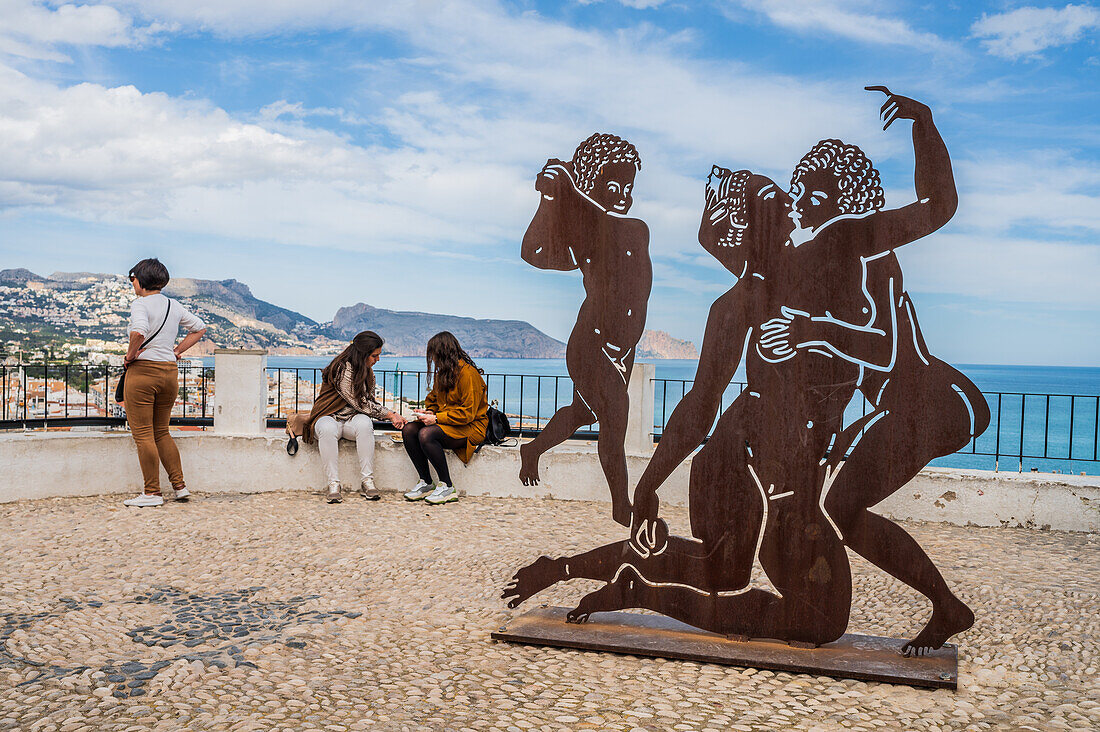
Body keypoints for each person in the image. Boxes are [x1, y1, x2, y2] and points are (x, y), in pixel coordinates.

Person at [762, 87, 990, 655]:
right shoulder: (825, 262)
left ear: (844, 201)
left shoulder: (861, 246)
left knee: (842, 507)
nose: (799, 201)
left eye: (814, 194)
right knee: (838, 505)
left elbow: (885, 348)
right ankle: (946, 606)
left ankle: (947, 607)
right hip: (911, 403)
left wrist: (925, 125)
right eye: (799, 189)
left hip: (928, 403)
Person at [518, 133, 651, 527]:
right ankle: (621, 507)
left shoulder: (635, 229)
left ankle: (533, 449)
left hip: (622, 351)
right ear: (591, 186)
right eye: (612, 188)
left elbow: (605, 223)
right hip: (591, 345)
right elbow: (534, 252)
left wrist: (567, 194)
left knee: (584, 412)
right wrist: (550, 201)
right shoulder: (585, 235)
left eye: (628, 187)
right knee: (615, 417)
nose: (623, 196)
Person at [121, 258, 206, 508]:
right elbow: (199, 329)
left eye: (132, 278)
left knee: (143, 434)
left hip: (143, 373)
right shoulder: (174, 305)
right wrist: (177, 351)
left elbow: (138, 332)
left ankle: (152, 493)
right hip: (169, 372)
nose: (132, 283)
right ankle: (179, 486)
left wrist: (130, 356)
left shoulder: (140, 304)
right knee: (161, 431)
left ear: (140, 280)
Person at [293, 331, 407, 504]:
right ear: (363, 354)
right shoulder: (342, 368)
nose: (377, 360)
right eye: (374, 355)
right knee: (327, 428)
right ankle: (333, 484)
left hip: (349, 420)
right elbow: (359, 402)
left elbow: (368, 402)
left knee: (365, 424)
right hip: (328, 416)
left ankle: (367, 481)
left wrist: (387, 414)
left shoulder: (368, 372)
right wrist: (390, 415)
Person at [401, 331, 488, 506]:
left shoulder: (468, 374)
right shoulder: (443, 373)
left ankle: (447, 486)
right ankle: (426, 482)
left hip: (471, 427)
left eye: (434, 354)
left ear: (443, 353)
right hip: (448, 423)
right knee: (409, 430)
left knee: (426, 434)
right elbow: (433, 399)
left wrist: (437, 419)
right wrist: (428, 413)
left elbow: (468, 414)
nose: (432, 359)